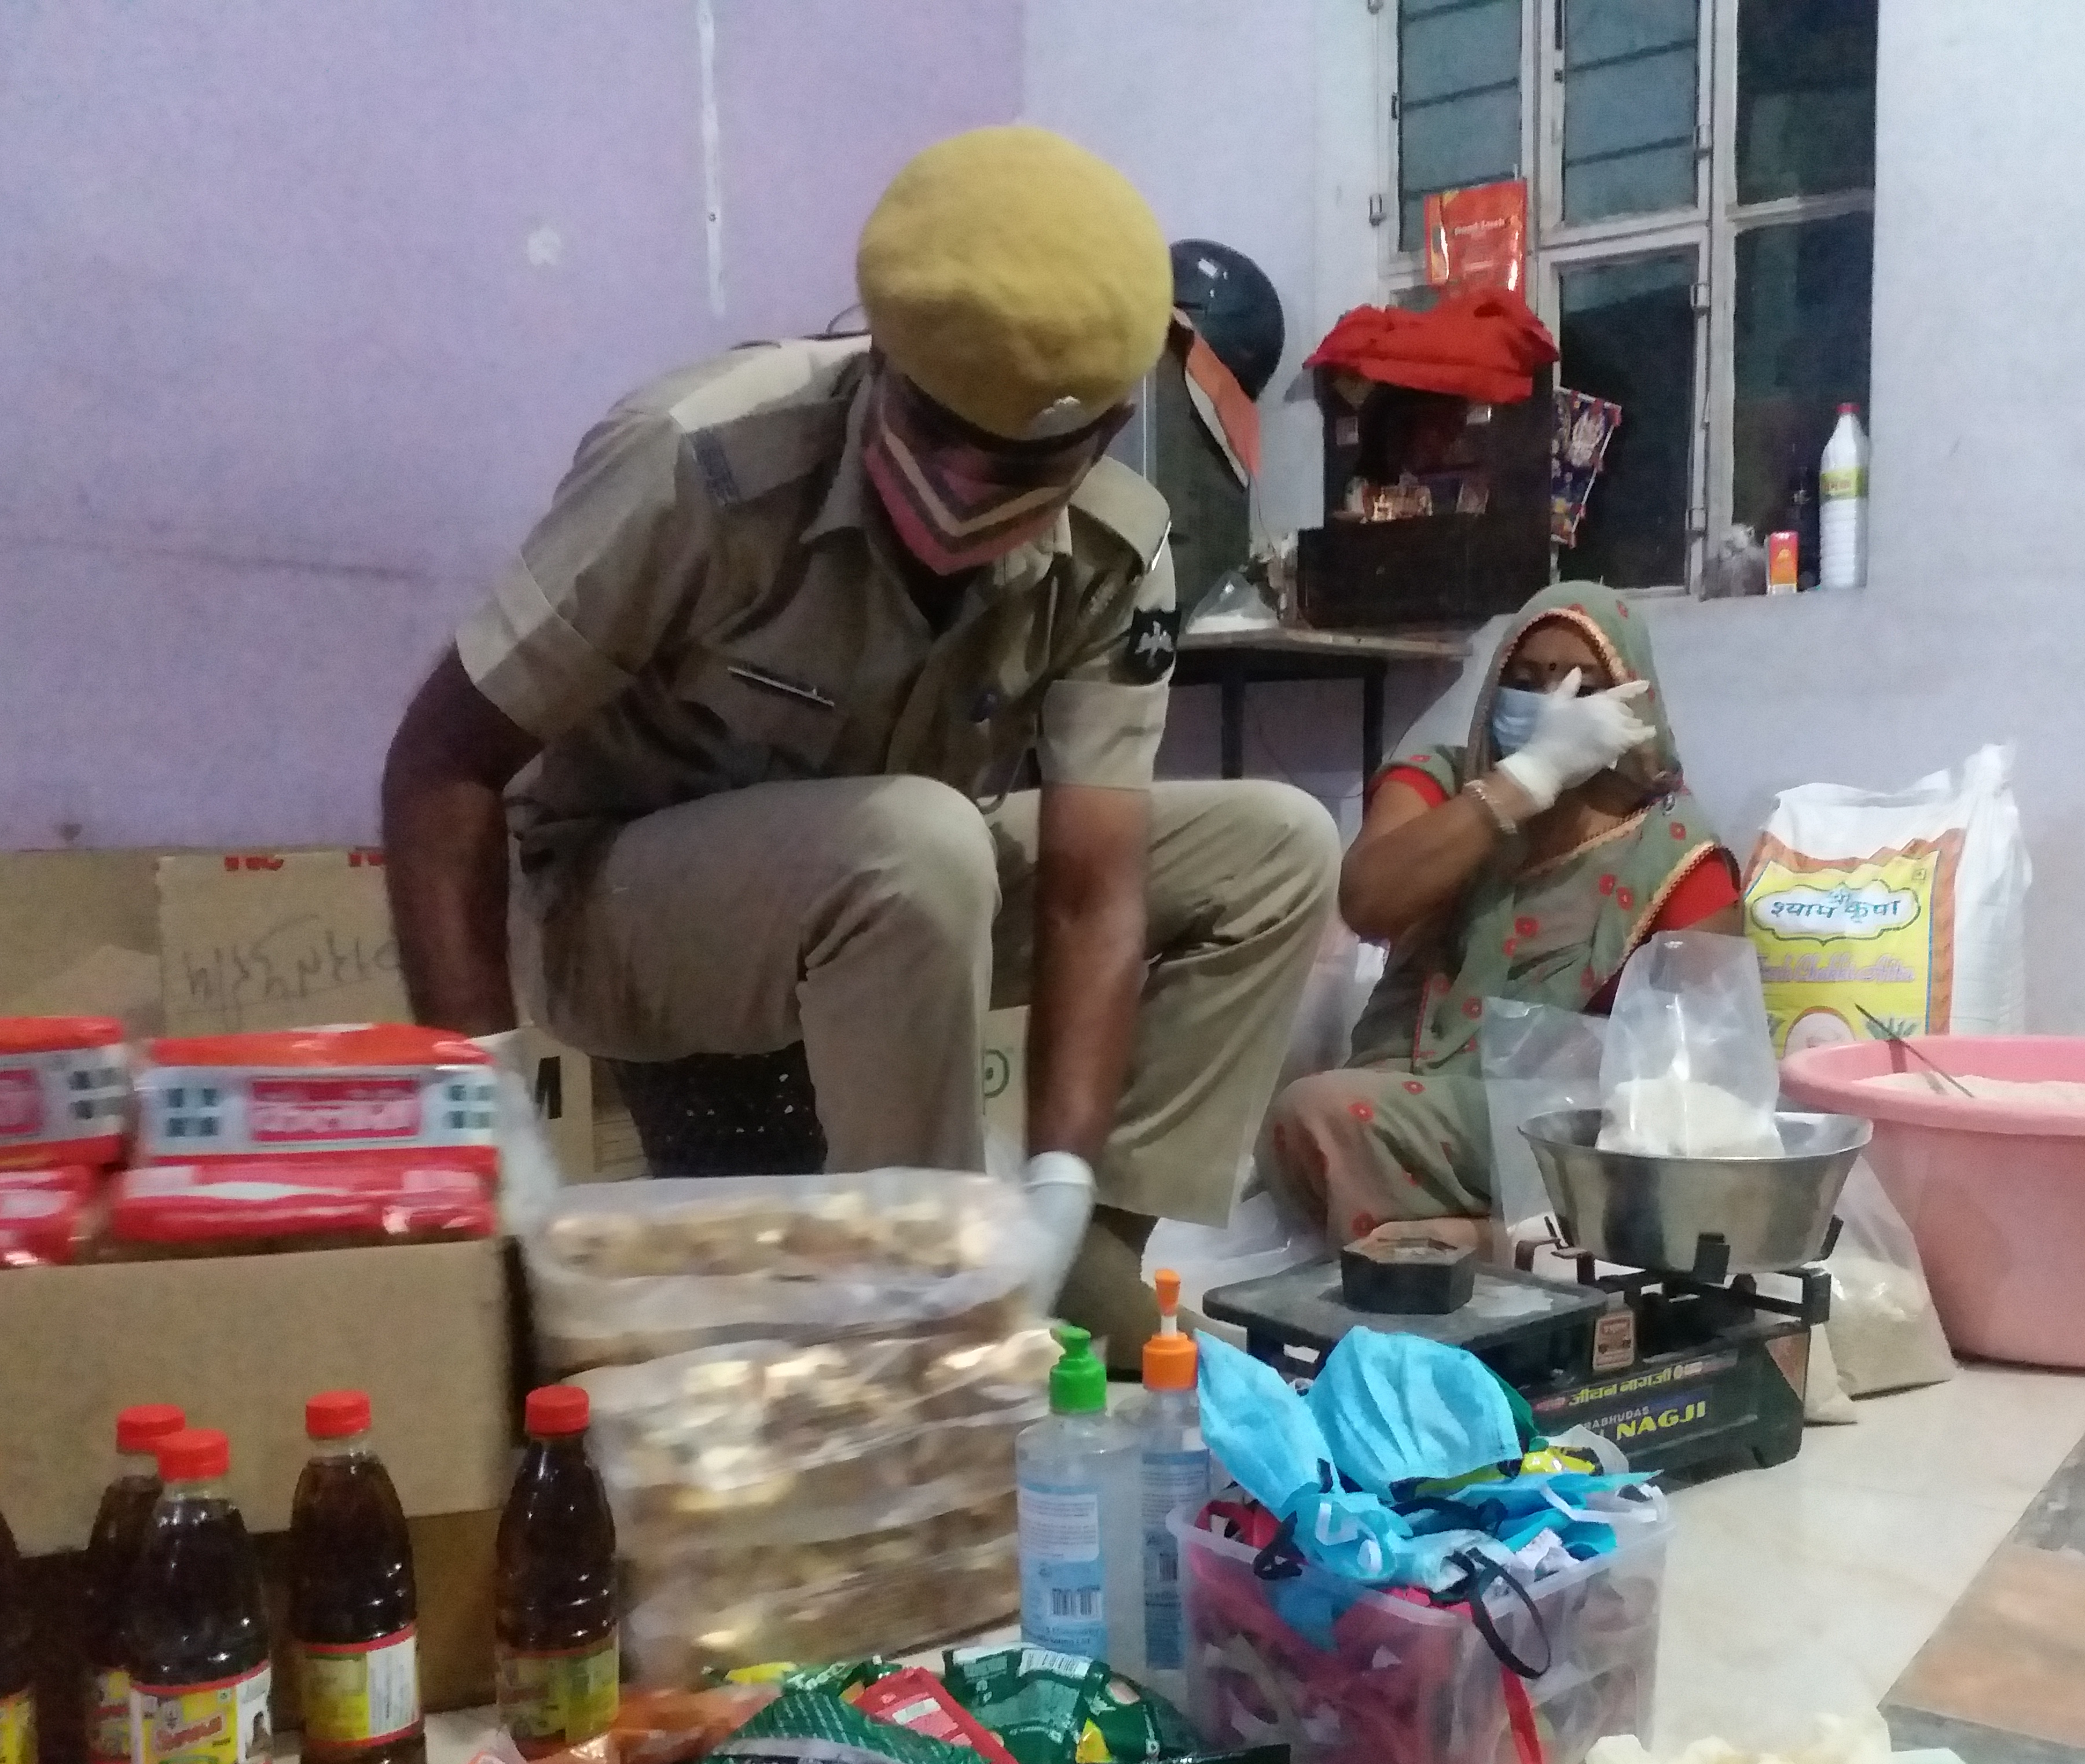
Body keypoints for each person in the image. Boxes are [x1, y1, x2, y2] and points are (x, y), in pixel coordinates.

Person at [379, 127, 1338, 1359]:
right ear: (880, 355)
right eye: (933, 433)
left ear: (1098, 438)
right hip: (623, 907)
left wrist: (1055, 1180)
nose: (960, 491)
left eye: (1019, 469)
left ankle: (1076, 1265)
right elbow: (440, 764)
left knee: (1279, 846)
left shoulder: (1111, 544)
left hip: (898, 893)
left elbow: (1099, 890)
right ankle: (932, 1321)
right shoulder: (702, 462)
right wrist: (485, 1108)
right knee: (918, 841)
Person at [1264, 582, 1741, 1247]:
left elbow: (1699, 1086)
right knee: (1309, 1121)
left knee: (1320, 1114)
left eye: (1582, 680)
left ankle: (1491, 1244)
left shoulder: (1676, 856)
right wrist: (1526, 779)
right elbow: (1367, 902)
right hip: (1395, 1092)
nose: (1553, 699)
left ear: (1632, 697)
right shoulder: (1441, 781)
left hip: (1551, 1133)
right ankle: (1499, 1244)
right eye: (1526, 679)